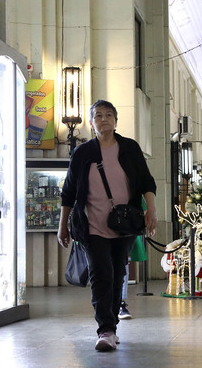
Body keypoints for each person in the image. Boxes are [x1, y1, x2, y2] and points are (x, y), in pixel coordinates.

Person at [57, 100, 157, 351]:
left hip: (124, 225)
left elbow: (147, 183)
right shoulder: (83, 153)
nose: (104, 119)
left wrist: (151, 212)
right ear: (91, 123)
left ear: (116, 120)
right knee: (101, 275)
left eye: (109, 115)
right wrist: (63, 226)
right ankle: (105, 330)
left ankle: (112, 324)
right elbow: (68, 192)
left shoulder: (130, 148)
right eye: (98, 115)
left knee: (117, 273)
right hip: (92, 225)